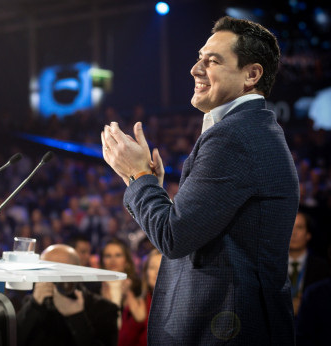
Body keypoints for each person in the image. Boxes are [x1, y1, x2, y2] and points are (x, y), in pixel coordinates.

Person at [100, 16, 299, 344]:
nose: (195, 68)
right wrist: (143, 181)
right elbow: (191, 229)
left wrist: (138, 177)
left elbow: (173, 237)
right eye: (199, 57)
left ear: (252, 74)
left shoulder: (234, 136)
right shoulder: (250, 130)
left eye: (213, 60)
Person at [16, 244, 118, 346]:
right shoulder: (35, 304)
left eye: (60, 272)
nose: (53, 279)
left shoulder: (104, 308)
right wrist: (34, 305)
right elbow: (13, 340)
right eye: (45, 272)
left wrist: (77, 316)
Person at [288, 211, 329, 316]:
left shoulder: (324, 268)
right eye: (290, 226)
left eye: (299, 227)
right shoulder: (270, 267)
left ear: (308, 234)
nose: (294, 233)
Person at [119, 248, 162, 346]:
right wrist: (136, 322)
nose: (157, 272)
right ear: (145, 272)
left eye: (162, 267)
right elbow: (122, 343)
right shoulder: (137, 305)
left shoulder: (182, 305)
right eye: (152, 267)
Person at [99, 238, 140, 330]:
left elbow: (140, 320)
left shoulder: (137, 285)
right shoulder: (95, 288)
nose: (113, 260)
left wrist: (128, 295)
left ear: (127, 261)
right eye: (108, 256)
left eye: (118, 255)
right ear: (102, 261)